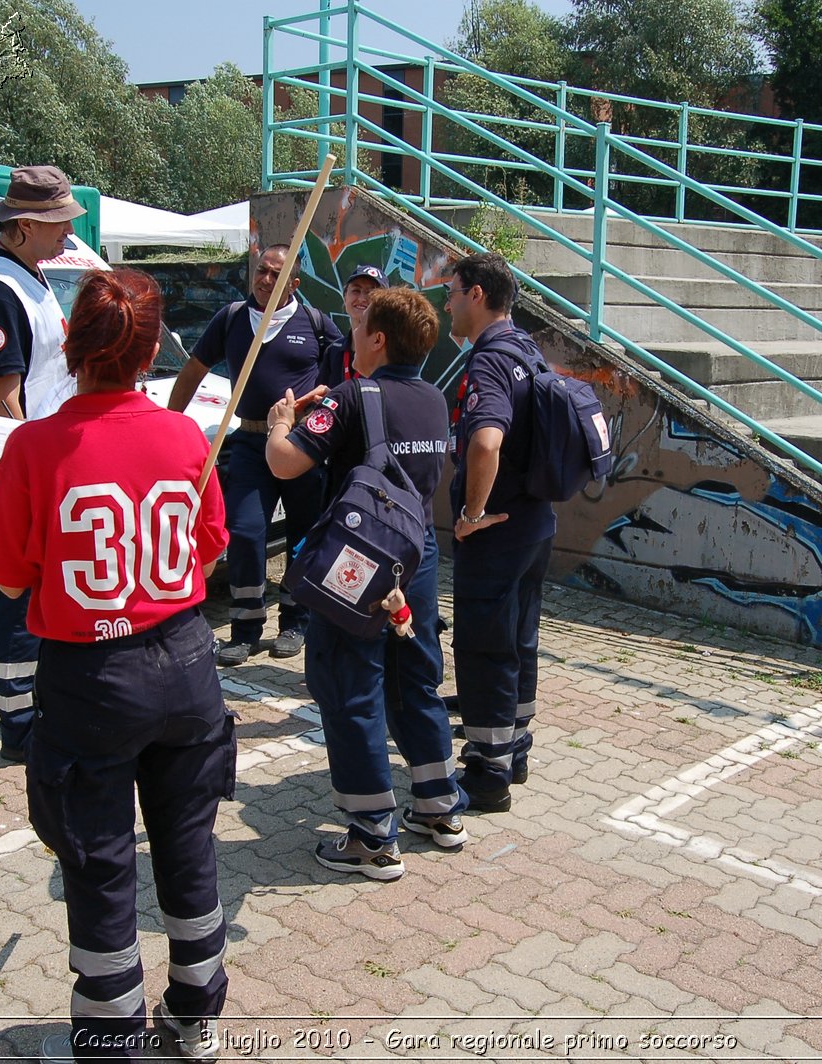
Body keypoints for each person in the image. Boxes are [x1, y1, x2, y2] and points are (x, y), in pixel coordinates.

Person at [0, 269, 233, 1064]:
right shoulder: (187, 436)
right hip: (188, 664)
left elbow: (10, 578)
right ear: (152, 348)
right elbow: (213, 545)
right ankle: (195, 1021)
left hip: (91, 681)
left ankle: (111, 1039)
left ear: (68, 345)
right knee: (188, 846)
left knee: (98, 863)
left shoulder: (35, 444)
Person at [266, 286, 469, 880]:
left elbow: (284, 463)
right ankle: (437, 806)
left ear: (378, 338)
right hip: (416, 556)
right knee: (415, 677)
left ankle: (372, 837)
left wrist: (283, 423)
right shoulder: (435, 399)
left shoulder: (353, 397)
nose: (351, 333)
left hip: (359, 559)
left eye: (359, 326)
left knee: (349, 685)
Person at [0, 164, 85, 762]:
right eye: (58, 224)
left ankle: (36, 707)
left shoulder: (25, 276)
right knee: (14, 593)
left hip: (35, 460)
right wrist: (37, 468)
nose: (67, 235)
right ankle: (20, 723)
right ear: (24, 226)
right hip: (15, 466)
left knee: (32, 593)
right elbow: (1, 398)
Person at [167, 244, 341, 666]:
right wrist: (168, 424)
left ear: (293, 284)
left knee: (303, 534)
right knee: (245, 531)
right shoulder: (230, 318)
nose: (265, 280)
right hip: (249, 442)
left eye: (275, 274)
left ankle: (296, 621)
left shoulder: (316, 324)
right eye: (261, 271)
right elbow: (193, 370)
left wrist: (322, 398)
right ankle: (245, 626)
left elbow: (343, 375)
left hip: (302, 446)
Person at [444, 252, 554, 814]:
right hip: (536, 522)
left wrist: (471, 513)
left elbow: (486, 442)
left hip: (499, 529)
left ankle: (487, 775)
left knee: (485, 648)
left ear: (478, 295)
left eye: (453, 290)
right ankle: (516, 750)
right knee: (520, 640)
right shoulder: (528, 349)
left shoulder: (487, 362)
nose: (447, 301)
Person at [318, 263, 385, 386]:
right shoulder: (334, 351)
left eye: (371, 293)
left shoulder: (388, 356)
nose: (361, 298)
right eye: (356, 290)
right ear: (345, 297)